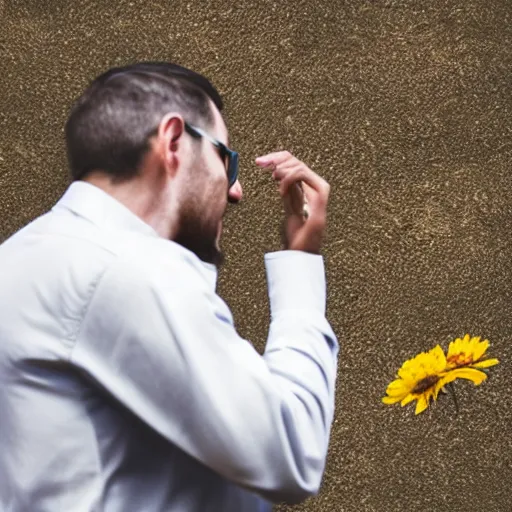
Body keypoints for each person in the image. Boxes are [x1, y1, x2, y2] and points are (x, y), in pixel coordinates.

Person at [0, 61, 339, 512]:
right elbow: (291, 450)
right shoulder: (124, 269)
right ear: (174, 141)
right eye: (225, 159)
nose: (234, 190)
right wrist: (300, 269)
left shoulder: (26, 257)